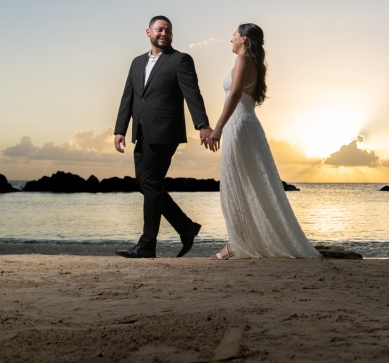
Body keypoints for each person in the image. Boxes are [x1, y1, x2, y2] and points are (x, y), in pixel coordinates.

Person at [206, 23, 320, 259]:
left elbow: (236, 93)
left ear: (244, 39)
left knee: (239, 184)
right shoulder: (252, 62)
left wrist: (217, 127)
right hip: (244, 124)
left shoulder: (243, 60)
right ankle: (238, 242)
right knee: (244, 183)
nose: (231, 39)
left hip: (238, 125)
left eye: (234, 35)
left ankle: (236, 245)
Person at [114, 15, 211, 258]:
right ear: (148, 32)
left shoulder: (180, 60)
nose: (163, 34)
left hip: (166, 131)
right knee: (146, 184)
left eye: (168, 31)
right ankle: (186, 227)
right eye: (159, 30)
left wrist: (202, 124)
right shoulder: (136, 63)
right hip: (141, 131)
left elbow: (192, 93)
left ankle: (147, 245)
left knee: (150, 183)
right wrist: (120, 129)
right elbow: (129, 97)